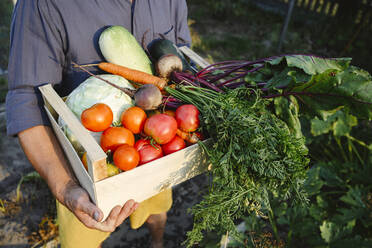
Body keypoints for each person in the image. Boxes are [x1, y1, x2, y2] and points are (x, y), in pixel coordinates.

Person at [5, 0, 192, 247]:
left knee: (156, 209)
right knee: (83, 236)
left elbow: (179, 50)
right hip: (86, 167)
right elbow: (27, 100)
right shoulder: (42, 5)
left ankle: (157, 241)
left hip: (156, 145)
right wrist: (66, 188)